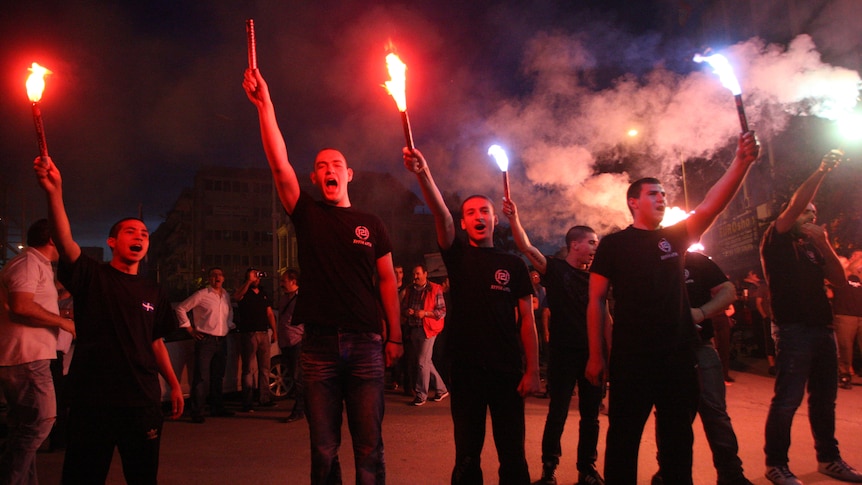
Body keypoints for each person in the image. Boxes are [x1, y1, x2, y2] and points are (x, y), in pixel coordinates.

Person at [243, 68, 402, 484]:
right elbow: (279, 164)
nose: (329, 170)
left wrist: (396, 336)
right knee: (323, 448)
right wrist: (266, 105)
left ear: (349, 175)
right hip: (317, 347)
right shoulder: (308, 214)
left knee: (370, 446)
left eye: (337, 164)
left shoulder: (372, 224)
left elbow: (387, 281)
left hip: (366, 343)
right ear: (314, 179)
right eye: (320, 166)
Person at [585, 131, 760, 484]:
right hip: (632, 359)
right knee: (623, 441)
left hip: (679, 357)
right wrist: (596, 354)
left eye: (664, 194)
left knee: (679, 442)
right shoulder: (614, 244)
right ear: (633, 202)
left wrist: (741, 162)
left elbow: (713, 203)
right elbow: (596, 301)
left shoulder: (675, 237)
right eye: (653, 193)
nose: (662, 198)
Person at [33, 156, 183, 484]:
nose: (139, 236)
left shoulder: (153, 290)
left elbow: (156, 341)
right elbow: (65, 240)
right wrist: (54, 192)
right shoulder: (92, 276)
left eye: (144, 233)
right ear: (112, 242)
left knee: (143, 478)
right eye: (130, 231)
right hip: (93, 403)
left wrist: (173, 384)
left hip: (142, 403)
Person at [403, 148, 540, 485]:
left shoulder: (513, 265)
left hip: (507, 370)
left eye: (485, 211)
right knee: (466, 456)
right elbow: (441, 216)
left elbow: (527, 320)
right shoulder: (458, 256)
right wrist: (424, 172)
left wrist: (533, 370)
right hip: (465, 370)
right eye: (470, 213)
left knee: (513, 456)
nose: (478, 216)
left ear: (495, 220)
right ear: (463, 223)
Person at [760, 150, 862, 485]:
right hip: (792, 331)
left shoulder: (813, 247)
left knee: (824, 401)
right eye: (807, 212)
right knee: (787, 401)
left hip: (823, 330)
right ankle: (776, 464)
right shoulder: (775, 239)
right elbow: (796, 204)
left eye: (815, 213)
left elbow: (839, 284)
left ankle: (829, 459)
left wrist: (826, 243)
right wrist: (821, 170)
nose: (811, 216)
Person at [502, 197, 605, 485]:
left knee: (590, 417)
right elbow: (526, 247)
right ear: (576, 244)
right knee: (557, 411)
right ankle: (549, 470)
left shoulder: (598, 278)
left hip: (592, 354)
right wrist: (513, 218)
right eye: (593, 242)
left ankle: (587, 469)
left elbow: (606, 317)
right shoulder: (556, 269)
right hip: (563, 354)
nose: (596, 248)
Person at [652, 250, 753, 485]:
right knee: (671, 416)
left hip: (701, 347)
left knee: (716, 414)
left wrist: (701, 312)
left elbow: (728, 291)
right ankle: (667, 471)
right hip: (665, 351)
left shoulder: (696, 260)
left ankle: (731, 473)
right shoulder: (648, 259)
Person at [0, 219, 76, 485]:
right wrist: (63, 322)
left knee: (25, 425)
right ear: (53, 239)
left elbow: (40, 298)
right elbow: (21, 305)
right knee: (42, 421)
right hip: (27, 357)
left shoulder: (37, 265)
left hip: (27, 356)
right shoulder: (28, 264)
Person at [175, 267, 236, 423]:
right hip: (206, 341)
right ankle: (197, 411)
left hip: (221, 341)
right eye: (214, 275)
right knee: (201, 377)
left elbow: (230, 312)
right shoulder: (202, 295)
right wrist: (189, 329)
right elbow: (181, 308)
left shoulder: (225, 295)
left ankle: (217, 408)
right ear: (209, 279)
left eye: (220, 274)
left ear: (223, 278)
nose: (217, 277)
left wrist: (228, 325)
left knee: (218, 376)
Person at [401, 263, 448, 406]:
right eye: (414, 274)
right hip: (414, 328)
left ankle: (421, 395)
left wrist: (425, 313)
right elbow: (403, 307)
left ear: (425, 274)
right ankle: (441, 389)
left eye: (418, 274)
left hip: (429, 329)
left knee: (422, 362)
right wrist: (407, 311)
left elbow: (442, 312)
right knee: (426, 362)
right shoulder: (410, 289)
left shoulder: (435, 289)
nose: (415, 276)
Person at [232, 268, 277, 412]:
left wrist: (274, 331)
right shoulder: (244, 292)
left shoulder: (263, 293)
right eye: (254, 276)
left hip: (264, 333)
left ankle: (264, 398)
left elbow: (269, 313)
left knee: (264, 368)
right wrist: (248, 281)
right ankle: (247, 402)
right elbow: (237, 297)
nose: (257, 279)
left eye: (258, 276)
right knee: (248, 370)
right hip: (249, 334)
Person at [277, 268, 305, 422]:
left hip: (297, 342)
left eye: (284, 281)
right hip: (285, 342)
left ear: (293, 281)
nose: (282, 284)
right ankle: (303, 406)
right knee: (294, 377)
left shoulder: (301, 299)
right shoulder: (283, 299)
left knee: (298, 377)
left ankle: (299, 409)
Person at [834, 251, 862, 390]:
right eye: (845, 261)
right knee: (845, 347)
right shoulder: (839, 276)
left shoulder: (857, 277)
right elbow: (850, 268)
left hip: (860, 315)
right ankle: (844, 375)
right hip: (845, 316)